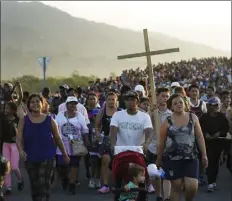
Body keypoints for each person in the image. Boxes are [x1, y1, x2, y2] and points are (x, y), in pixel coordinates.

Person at [17, 94, 70, 201]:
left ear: (42, 104)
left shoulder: (50, 120)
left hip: (47, 158)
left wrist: (65, 154)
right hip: (30, 158)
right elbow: (19, 138)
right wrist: (20, 150)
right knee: (35, 187)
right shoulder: (24, 120)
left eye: (38, 101)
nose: (35, 104)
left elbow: (57, 139)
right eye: (32, 102)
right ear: (29, 105)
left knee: (44, 186)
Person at [157, 93, 208, 201]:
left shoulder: (193, 117)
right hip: (172, 159)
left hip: (191, 157)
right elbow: (162, 142)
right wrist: (159, 158)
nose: (179, 105)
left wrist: (204, 154)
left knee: (192, 186)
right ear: (171, 107)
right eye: (175, 103)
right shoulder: (167, 121)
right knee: (176, 186)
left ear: (185, 103)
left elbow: (199, 137)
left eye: (181, 102)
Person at [55, 96, 90, 195]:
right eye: (71, 103)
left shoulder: (79, 115)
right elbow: (55, 128)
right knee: (61, 165)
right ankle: (65, 178)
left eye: (75, 103)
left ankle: (72, 185)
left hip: (76, 144)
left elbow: (84, 129)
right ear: (66, 105)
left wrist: (86, 140)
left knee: (74, 165)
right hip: (62, 144)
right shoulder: (60, 115)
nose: (73, 105)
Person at [199, 97, 229, 192]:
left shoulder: (222, 117)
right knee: (208, 162)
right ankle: (210, 182)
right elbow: (199, 128)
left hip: (218, 143)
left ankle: (213, 182)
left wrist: (219, 133)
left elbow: (226, 129)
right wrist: (205, 133)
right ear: (209, 106)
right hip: (206, 143)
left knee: (215, 163)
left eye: (217, 105)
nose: (215, 107)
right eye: (213, 105)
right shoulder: (204, 117)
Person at [147, 88, 171, 201]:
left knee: (166, 174)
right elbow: (145, 124)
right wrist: (151, 112)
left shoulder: (171, 113)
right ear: (157, 97)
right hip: (153, 146)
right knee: (155, 173)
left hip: (167, 147)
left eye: (167, 96)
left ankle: (167, 197)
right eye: (163, 96)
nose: (165, 98)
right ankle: (158, 196)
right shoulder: (152, 112)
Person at [95, 92, 121, 193]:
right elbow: (97, 126)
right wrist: (97, 133)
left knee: (117, 162)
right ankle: (105, 185)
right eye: (109, 99)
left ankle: (116, 183)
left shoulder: (120, 112)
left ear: (116, 101)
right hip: (106, 140)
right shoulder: (102, 112)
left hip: (118, 141)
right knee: (105, 159)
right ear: (106, 101)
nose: (111, 101)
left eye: (113, 99)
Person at [1, 102, 23, 195]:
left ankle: (20, 180)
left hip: (15, 145)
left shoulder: (18, 120)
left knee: (14, 166)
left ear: (13, 110)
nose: (6, 110)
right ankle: (8, 187)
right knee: (6, 167)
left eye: (8, 109)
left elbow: (21, 132)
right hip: (5, 144)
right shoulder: (2, 117)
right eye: (5, 108)